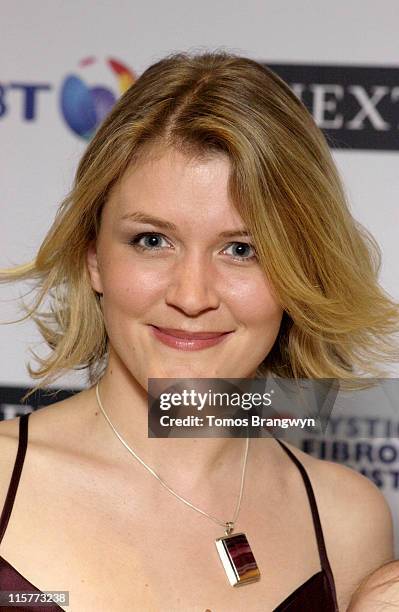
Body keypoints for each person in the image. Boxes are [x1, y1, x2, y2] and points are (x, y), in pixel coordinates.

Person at [0, 49, 398, 612]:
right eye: (152, 241)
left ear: (299, 270)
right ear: (93, 258)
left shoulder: (347, 519)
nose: (191, 296)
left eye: (242, 249)